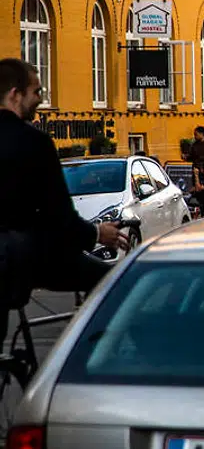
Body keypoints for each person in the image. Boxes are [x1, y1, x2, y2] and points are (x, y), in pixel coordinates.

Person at [0, 58, 126, 309]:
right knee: (112, 282)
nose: (40, 99)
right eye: (36, 92)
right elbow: (58, 215)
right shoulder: (34, 142)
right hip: (22, 259)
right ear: (15, 95)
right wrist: (97, 233)